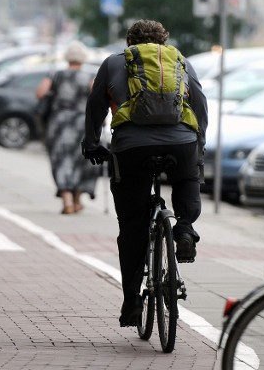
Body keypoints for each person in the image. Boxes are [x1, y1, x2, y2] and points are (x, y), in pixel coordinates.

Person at [82, 19, 208, 327]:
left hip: (131, 148)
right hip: (181, 143)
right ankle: (184, 228)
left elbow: (96, 105)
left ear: (129, 43)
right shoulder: (180, 61)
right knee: (188, 178)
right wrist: (198, 144)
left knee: (132, 228)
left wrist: (91, 143)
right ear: (164, 42)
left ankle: (132, 303)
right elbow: (200, 105)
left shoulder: (114, 62)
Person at [36, 41, 99, 214]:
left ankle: (67, 201)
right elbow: (97, 97)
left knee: (61, 159)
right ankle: (78, 200)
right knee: (82, 160)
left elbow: (40, 93)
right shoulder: (89, 76)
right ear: (83, 58)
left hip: (59, 123)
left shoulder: (56, 75)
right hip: (81, 122)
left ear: (67, 57)